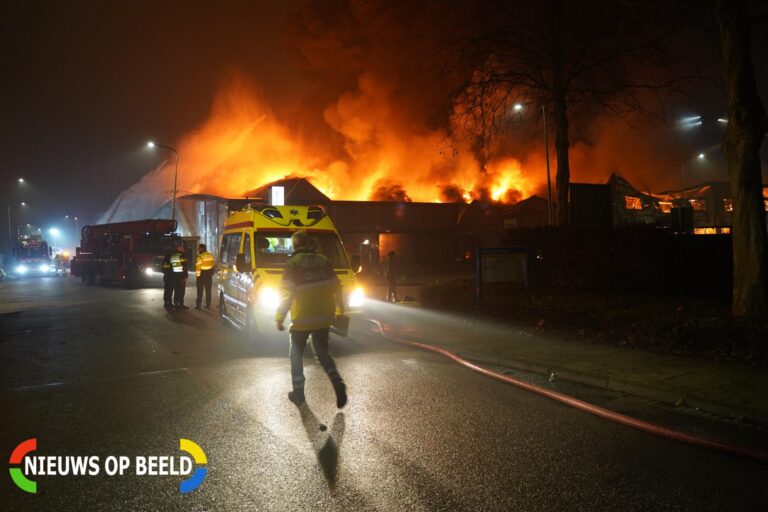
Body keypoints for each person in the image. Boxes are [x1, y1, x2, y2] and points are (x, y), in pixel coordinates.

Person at [276, 230, 347, 407]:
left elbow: (286, 294)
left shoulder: (293, 264)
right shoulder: (324, 261)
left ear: (296, 245)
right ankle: (337, 382)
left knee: (296, 354)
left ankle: (299, 393)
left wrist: (279, 316)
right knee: (323, 353)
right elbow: (337, 287)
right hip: (324, 316)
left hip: (302, 317)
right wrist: (340, 309)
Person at [195, 243, 215, 310]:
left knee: (200, 290)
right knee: (208, 290)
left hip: (201, 274)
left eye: (199, 248)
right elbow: (213, 265)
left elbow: (198, 267)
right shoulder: (210, 255)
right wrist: (211, 273)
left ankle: (198, 306)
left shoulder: (199, 256)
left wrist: (198, 276)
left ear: (202, 248)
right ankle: (208, 305)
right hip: (209, 274)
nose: (198, 249)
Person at [170, 242, 189, 309]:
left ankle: (176, 303)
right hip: (181, 275)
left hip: (174, 275)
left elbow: (171, 266)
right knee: (181, 290)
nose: (183, 249)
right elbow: (184, 267)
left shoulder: (173, 255)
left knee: (176, 290)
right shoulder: (182, 256)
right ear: (179, 248)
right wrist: (186, 276)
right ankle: (181, 304)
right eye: (182, 247)